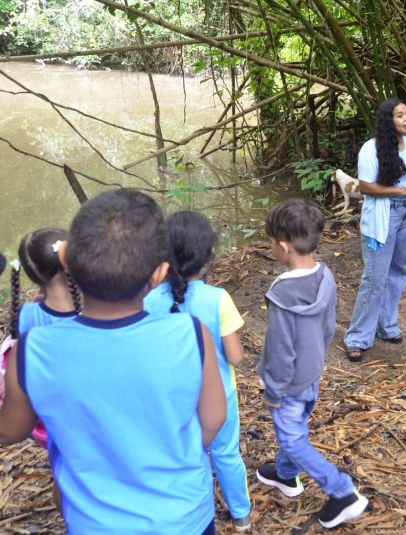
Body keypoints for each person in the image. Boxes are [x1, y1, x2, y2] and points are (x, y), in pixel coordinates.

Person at [0, 189, 227, 534]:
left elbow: (10, 430)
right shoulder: (189, 333)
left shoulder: (32, 350)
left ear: (68, 262)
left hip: (96, 523)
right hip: (184, 516)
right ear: (159, 274)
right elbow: (213, 418)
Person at [256, 199, 368, 530]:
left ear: (283, 245)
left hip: (289, 384)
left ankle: (341, 491)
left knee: (292, 439)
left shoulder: (281, 293)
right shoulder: (325, 277)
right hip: (312, 374)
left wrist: (273, 390)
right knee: (296, 429)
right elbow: (329, 326)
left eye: (271, 242)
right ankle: (286, 475)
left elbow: (280, 350)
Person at [144, 211, 251, 531]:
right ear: (207, 258)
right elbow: (234, 356)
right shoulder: (217, 298)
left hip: (172, 396)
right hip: (220, 395)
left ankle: (189, 511)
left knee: (185, 452)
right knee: (226, 454)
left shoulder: (148, 300)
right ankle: (241, 515)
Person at [343, 98, 406, 362]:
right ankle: (357, 337)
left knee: (400, 270)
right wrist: (401, 191)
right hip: (383, 215)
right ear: (387, 121)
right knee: (375, 277)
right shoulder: (371, 149)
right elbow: (366, 186)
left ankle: (386, 325)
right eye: (400, 115)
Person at [3, 229, 82, 447]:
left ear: (32, 275)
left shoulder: (27, 314)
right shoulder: (88, 317)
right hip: (79, 412)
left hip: (43, 416)